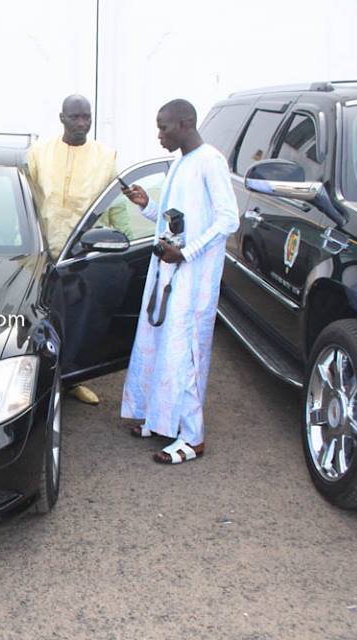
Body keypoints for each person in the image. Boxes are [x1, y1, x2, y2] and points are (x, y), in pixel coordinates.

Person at [120, 99, 239, 464]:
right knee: (157, 349)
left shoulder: (210, 162)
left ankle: (192, 437)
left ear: (185, 123)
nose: (159, 135)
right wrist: (146, 206)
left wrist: (187, 254)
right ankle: (160, 420)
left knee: (184, 356)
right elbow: (178, 223)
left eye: (164, 127)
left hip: (192, 282)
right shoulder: (180, 163)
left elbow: (228, 220)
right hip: (168, 276)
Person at [27, 94, 123, 405]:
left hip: (85, 257)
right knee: (45, 320)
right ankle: (39, 381)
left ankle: (73, 380)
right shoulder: (39, 154)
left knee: (82, 321)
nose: (82, 123)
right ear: (62, 118)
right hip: (46, 254)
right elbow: (27, 199)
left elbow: (116, 208)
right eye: (75, 117)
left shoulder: (105, 156)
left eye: (86, 117)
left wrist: (132, 243)